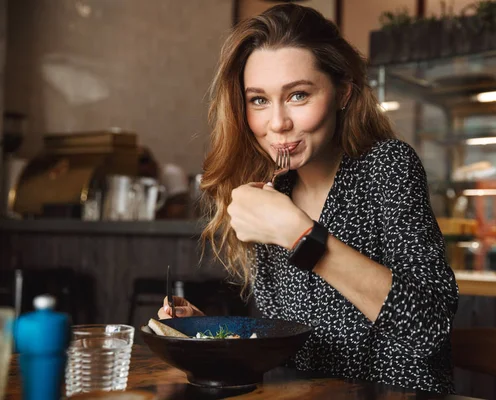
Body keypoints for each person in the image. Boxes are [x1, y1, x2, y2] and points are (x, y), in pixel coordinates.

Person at [157, 3, 458, 393]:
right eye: (259, 100)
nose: (278, 123)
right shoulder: (273, 190)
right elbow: (286, 344)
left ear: (343, 93)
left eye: (298, 95)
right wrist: (212, 334)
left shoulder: (387, 166)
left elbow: (428, 328)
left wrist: (299, 235)